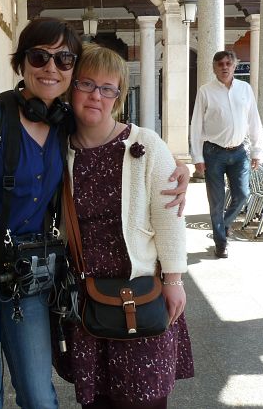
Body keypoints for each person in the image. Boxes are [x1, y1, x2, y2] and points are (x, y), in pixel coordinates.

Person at [0, 18, 190, 409]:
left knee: (39, 395)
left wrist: (176, 166)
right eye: (39, 57)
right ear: (21, 62)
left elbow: (121, 142)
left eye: (64, 60)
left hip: (29, 274)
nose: (51, 67)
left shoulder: (61, 126)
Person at [53, 43, 194, 409]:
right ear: (71, 88)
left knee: (144, 399)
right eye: (86, 84)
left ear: (119, 97)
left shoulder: (145, 145)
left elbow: (169, 217)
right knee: (97, 401)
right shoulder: (56, 148)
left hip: (141, 292)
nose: (96, 95)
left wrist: (174, 280)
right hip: (87, 298)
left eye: (108, 88)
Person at [190, 50, 263, 259]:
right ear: (214, 68)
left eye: (228, 63)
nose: (224, 67)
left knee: (242, 195)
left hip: (239, 152)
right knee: (217, 202)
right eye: (220, 64)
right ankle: (221, 243)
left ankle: (223, 225)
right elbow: (196, 125)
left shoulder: (245, 89)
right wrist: (197, 157)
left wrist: (257, 150)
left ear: (234, 66)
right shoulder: (205, 91)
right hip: (213, 153)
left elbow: (254, 120)